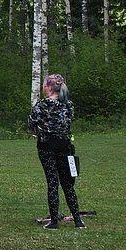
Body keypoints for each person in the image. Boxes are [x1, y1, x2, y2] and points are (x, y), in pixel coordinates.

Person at [28, 73, 84, 230]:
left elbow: (31, 124)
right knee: (67, 184)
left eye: (45, 85)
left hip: (46, 146)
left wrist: (38, 131)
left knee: (52, 182)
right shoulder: (69, 105)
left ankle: (53, 221)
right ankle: (78, 221)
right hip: (65, 146)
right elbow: (68, 122)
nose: (43, 87)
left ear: (50, 87)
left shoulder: (41, 105)